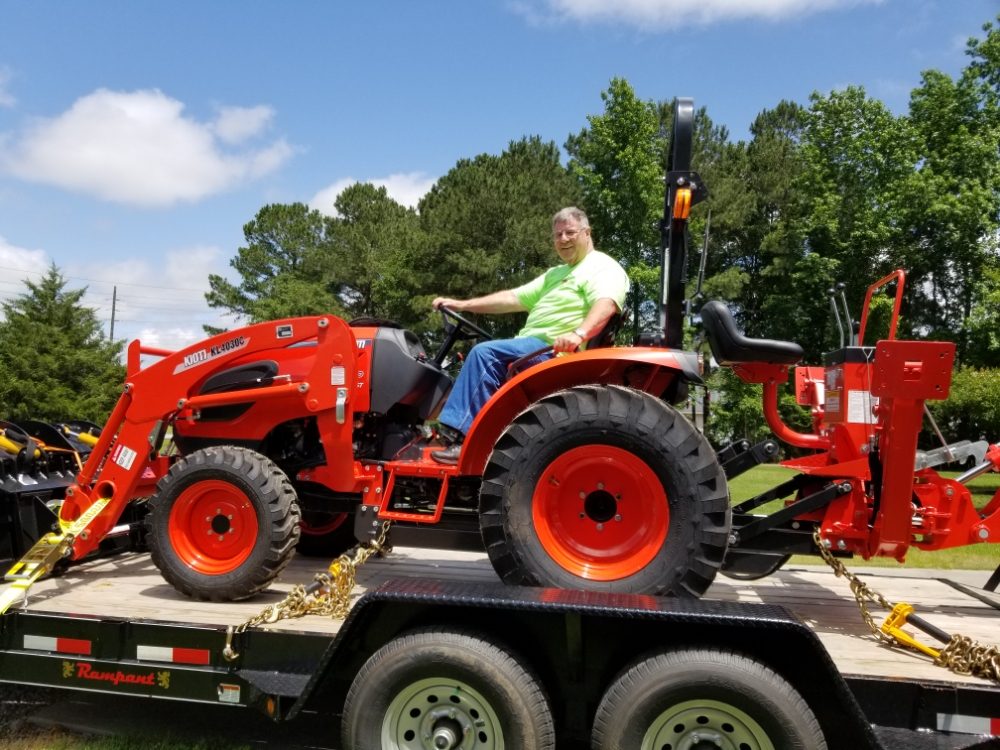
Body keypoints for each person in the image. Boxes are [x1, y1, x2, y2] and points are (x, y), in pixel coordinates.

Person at [429, 206, 629, 464]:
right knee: (489, 350)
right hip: (531, 347)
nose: (563, 240)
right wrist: (462, 304)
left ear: (587, 232)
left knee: (484, 353)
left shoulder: (601, 267)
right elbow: (512, 298)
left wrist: (578, 334)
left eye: (570, 233)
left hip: (554, 351)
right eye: (558, 235)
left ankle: (459, 438)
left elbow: (606, 304)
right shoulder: (556, 274)